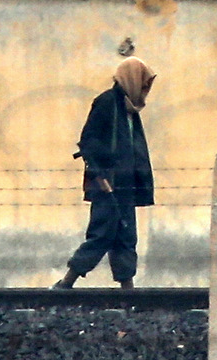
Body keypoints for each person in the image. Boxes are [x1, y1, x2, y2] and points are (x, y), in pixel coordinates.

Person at [52, 57, 157, 289]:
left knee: (126, 237)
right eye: (144, 84)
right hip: (107, 184)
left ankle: (127, 290)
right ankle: (66, 283)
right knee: (102, 234)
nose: (146, 90)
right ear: (131, 80)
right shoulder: (107, 102)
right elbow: (88, 141)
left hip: (126, 186)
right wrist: (100, 175)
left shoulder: (130, 109)